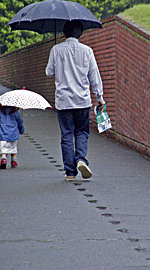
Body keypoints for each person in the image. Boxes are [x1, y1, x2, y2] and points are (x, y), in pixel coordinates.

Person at [46, 20, 105, 181]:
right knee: (82, 132)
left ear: (64, 33)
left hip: (64, 101)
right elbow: (94, 76)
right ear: (81, 34)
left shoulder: (56, 50)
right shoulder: (87, 51)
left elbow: (49, 72)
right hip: (82, 101)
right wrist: (99, 97)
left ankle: (70, 172)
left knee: (66, 134)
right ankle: (80, 159)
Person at [0, 105, 25, 169]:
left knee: (3, 149)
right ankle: (14, 160)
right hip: (13, 134)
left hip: (3, 134)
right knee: (13, 148)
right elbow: (20, 122)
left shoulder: (0, 112)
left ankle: (4, 159)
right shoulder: (16, 112)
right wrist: (21, 130)